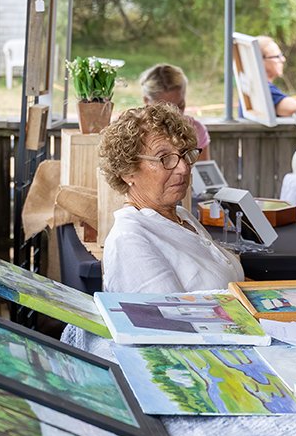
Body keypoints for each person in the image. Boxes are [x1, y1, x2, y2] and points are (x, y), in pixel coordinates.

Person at [98, 102, 245, 293]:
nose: (183, 168)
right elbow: (166, 311)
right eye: (164, 158)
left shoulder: (182, 216)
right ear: (127, 172)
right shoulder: (128, 239)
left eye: (184, 154)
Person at [139, 63, 211, 161]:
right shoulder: (135, 134)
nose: (176, 116)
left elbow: (203, 168)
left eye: (180, 106)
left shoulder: (196, 130)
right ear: (146, 101)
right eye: (166, 111)